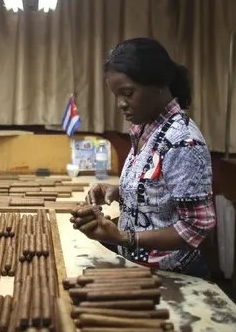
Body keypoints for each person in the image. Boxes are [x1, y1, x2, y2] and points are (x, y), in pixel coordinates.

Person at [71, 37, 216, 278]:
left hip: (174, 274)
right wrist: (117, 191)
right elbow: (159, 192)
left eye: (128, 93)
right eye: (116, 95)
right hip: (140, 267)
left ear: (158, 82)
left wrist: (124, 237)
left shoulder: (182, 140)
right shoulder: (145, 129)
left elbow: (197, 228)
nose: (120, 104)